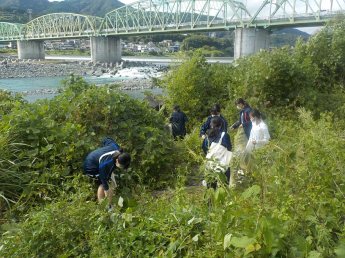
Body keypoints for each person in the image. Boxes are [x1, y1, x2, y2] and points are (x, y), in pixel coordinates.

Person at [83, 137, 131, 203]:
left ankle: (109, 204)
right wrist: (108, 198)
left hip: (97, 161)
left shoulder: (116, 146)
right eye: (121, 166)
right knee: (104, 185)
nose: (122, 168)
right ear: (117, 160)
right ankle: (103, 206)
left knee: (112, 184)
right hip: (90, 167)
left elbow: (106, 139)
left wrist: (102, 151)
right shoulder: (107, 165)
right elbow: (105, 184)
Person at [204, 116, 232, 188]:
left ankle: (211, 198)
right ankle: (223, 197)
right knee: (224, 185)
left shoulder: (207, 136)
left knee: (210, 186)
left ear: (211, 125)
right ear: (221, 125)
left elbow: (204, 148)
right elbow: (229, 148)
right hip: (223, 163)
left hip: (210, 163)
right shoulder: (224, 135)